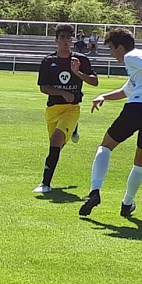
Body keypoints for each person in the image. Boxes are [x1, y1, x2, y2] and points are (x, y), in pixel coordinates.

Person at [79, 28, 142, 218]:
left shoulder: (132, 56)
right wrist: (104, 96)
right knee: (140, 160)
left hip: (138, 109)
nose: (112, 54)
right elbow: (126, 91)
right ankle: (127, 203)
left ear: (120, 47)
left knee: (106, 146)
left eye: (112, 49)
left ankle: (94, 192)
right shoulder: (137, 66)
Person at [32, 24, 98, 194]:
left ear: (73, 40)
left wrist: (78, 73)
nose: (66, 41)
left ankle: (45, 184)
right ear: (56, 40)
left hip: (72, 109)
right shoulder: (48, 61)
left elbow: (94, 81)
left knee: (56, 140)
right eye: (62, 37)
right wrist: (61, 92)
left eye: (69, 37)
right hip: (52, 110)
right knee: (57, 146)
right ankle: (74, 130)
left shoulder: (80, 60)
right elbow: (43, 87)